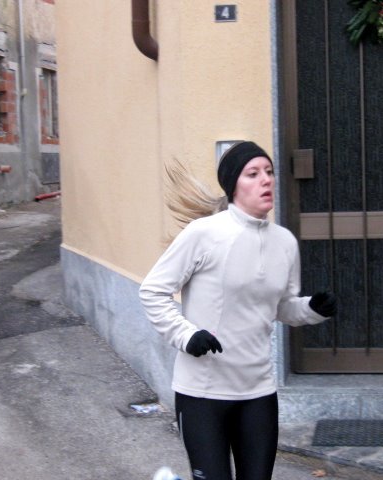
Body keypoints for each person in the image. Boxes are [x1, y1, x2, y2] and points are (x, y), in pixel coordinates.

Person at [139, 141, 337, 480]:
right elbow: (152, 291)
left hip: (258, 392)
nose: (266, 180)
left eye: (269, 172)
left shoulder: (285, 243)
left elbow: (281, 308)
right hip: (203, 393)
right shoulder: (204, 234)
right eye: (253, 173)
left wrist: (312, 309)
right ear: (234, 185)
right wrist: (186, 335)